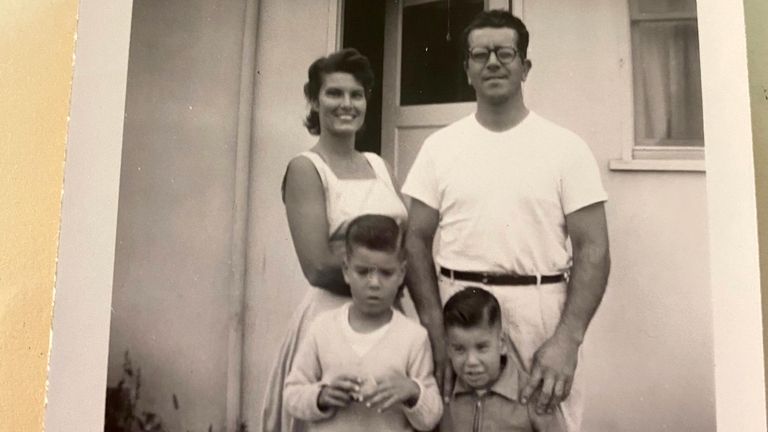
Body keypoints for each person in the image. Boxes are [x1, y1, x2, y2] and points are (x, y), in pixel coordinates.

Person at [401, 10, 610, 431]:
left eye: (505, 53)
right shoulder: (440, 147)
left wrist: (568, 339)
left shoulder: (565, 147)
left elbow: (594, 249)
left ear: (525, 66)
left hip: (540, 314)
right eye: (480, 54)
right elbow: (415, 241)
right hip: (459, 315)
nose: (492, 62)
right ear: (467, 70)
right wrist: (434, 328)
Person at [261, 48, 408, 432]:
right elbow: (318, 265)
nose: (347, 104)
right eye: (334, 93)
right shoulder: (306, 169)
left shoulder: (379, 165)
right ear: (314, 100)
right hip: (334, 320)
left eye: (356, 94)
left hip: (391, 315)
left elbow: (404, 243)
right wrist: (391, 279)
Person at [283, 214, 443, 432]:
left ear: (402, 273)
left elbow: (431, 417)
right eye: (363, 271)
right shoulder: (323, 328)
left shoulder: (413, 337)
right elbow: (292, 394)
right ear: (346, 270)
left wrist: (413, 392)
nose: (374, 283)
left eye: (386, 273)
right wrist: (321, 396)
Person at [441, 287, 567, 432]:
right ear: (448, 349)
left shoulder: (532, 396)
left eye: (482, 347)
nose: (471, 361)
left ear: (501, 343)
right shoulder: (446, 393)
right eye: (459, 349)